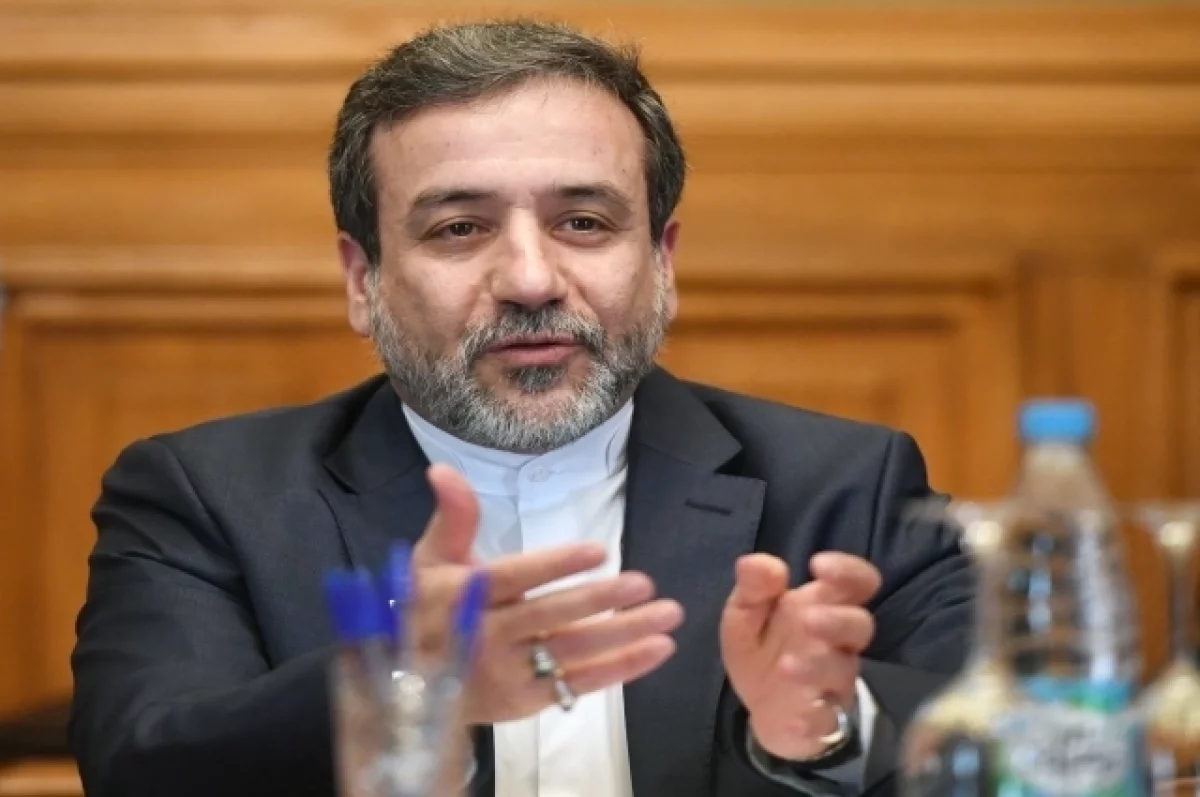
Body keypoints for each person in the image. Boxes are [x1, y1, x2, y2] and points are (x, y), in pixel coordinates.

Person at [68, 18, 972, 797]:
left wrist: (830, 728)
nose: (532, 280)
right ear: (361, 279)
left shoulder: (846, 485)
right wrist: (406, 693)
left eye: (584, 222)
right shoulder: (209, 497)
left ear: (661, 261)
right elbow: (143, 766)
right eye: (459, 228)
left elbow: (1007, 748)